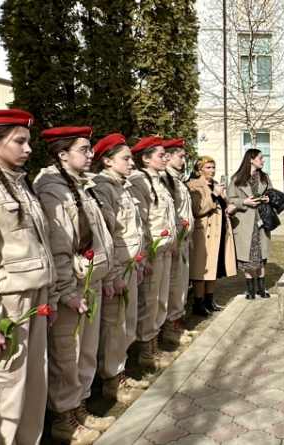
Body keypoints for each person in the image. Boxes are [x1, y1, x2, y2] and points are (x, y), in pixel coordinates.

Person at [34, 126, 115, 445]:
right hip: (73, 290)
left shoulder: (83, 185)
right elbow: (58, 246)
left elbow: (100, 236)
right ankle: (65, 423)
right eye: (84, 149)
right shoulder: (53, 189)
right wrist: (66, 292)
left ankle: (79, 411)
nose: (91, 153)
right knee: (66, 358)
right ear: (62, 154)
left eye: (91, 148)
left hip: (89, 283)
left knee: (83, 356)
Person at [0, 110, 54, 445]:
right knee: (8, 393)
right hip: (9, 304)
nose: (28, 149)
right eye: (19, 141)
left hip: (35, 298)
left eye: (28, 141)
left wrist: (50, 297)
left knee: (34, 386)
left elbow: (40, 247)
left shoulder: (20, 183)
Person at [90, 133, 151, 405]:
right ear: (106, 161)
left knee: (125, 326)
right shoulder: (103, 187)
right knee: (114, 329)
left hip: (129, 266)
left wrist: (139, 259)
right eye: (125, 158)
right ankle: (112, 382)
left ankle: (120, 373)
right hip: (118, 269)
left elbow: (133, 230)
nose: (131, 163)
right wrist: (114, 274)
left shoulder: (121, 185)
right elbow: (108, 237)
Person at [127, 137, 178, 370]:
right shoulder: (140, 182)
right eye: (160, 155)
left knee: (160, 299)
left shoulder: (159, 181)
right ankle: (146, 351)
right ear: (145, 159)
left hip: (165, 249)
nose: (165, 158)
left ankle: (154, 345)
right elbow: (142, 223)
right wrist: (144, 257)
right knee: (150, 300)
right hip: (153, 253)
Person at [187, 156, 236, 315]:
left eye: (213, 167)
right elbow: (197, 209)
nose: (212, 171)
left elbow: (222, 206)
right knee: (201, 268)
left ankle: (210, 299)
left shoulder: (216, 185)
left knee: (214, 266)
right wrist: (214, 195)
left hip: (220, 231)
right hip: (204, 233)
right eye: (208, 167)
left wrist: (229, 209)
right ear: (199, 169)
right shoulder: (193, 185)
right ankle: (198, 302)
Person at [162, 139, 198, 344]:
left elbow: (184, 212)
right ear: (167, 156)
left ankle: (176, 325)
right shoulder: (165, 180)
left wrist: (189, 236)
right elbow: (169, 215)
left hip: (183, 240)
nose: (184, 160)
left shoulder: (178, 180)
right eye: (180, 156)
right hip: (173, 243)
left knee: (181, 286)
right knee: (175, 287)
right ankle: (170, 328)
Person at [228, 149, 273, 300]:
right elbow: (230, 199)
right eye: (261, 158)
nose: (263, 160)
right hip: (244, 222)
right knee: (246, 256)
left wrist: (268, 198)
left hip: (261, 221)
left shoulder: (264, 177)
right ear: (251, 159)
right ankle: (250, 288)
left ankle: (262, 287)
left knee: (261, 255)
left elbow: (272, 194)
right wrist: (244, 202)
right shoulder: (237, 178)